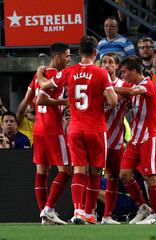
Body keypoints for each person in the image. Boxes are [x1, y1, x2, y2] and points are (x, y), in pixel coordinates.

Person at [37, 36, 118, 224]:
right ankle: (90, 213)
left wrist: (41, 73)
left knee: (79, 170)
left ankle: (78, 211)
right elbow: (113, 101)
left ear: (79, 53)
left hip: (74, 128)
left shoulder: (69, 71)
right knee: (96, 171)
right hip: (95, 128)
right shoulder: (101, 73)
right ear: (95, 53)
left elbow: (45, 85)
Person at [27, 42, 72, 225]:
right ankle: (49, 209)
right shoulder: (59, 74)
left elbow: (31, 98)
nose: (69, 59)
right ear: (58, 57)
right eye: (67, 56)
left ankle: (44, 215)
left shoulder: (39, 75)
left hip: (38, 127)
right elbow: (41, 99)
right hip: (53, 129)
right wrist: (64, 103)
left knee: (42, 171)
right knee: (66, 170)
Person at [115, 56, 156, 224]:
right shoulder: (132, 86)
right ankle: (143, 207)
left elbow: (133, 92)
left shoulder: (147, 84)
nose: (123, 76)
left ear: (134, 71)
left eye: (124, 72)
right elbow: (123, 96)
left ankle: (155, 215)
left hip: (149, 138)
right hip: (135, 139)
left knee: (150, 177)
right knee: (124, 174)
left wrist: (110, 86)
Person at [100, 52, 129, 224]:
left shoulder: (123, 85)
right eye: (103, 62)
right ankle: (83, 212)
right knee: (91, 175)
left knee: (113, 177)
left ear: (117, 66)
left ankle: (107, 216)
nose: (107, 65)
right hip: (97, 136)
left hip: (116, 138)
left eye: (110, 62)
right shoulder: (96, 83)